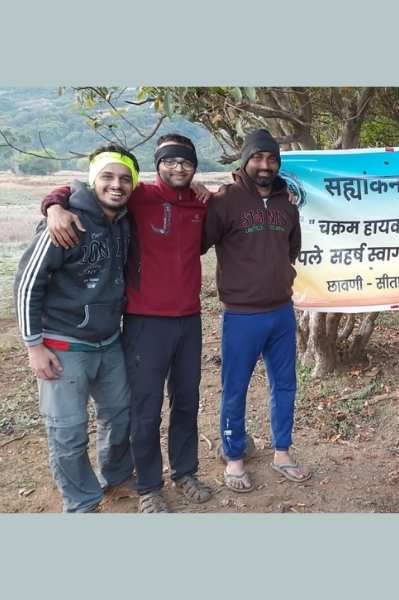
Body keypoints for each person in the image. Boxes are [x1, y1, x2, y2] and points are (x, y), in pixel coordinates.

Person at [42, 134, 213, 513]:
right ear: (157, 165)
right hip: (145, 322)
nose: (178, 167)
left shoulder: (201, 203)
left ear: (195, 167)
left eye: (186, 161)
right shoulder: (138, 196)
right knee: (146, 408)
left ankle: (185, 472)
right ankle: (149, 486)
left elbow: (227, 205)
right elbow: (84, 190)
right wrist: (53, 205)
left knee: (187, 401)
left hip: (189, 320)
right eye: (170, 161)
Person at [14, 144, 136, 513]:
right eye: (107, 177)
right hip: (63, 345)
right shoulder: (66, 222)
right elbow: (27, 284)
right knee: (67, 431)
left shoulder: (124, 219)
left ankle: (116, 475)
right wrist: (34, 346)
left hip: (109, 342)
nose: (116, 185)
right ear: (92, 179)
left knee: (120, 415)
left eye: (125, 178)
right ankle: (82, 501)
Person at [203, 128, 309, 492]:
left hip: (281, 312)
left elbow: (291, 250)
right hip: (241, 316)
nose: (265, 165)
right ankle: (234, 458)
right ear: (245, 160)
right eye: (258, 157)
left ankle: (283, 453)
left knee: (285, 386)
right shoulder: (225, 201)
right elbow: (199, 242)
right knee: (235, 389)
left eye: (271, 159)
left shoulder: (286, 204)